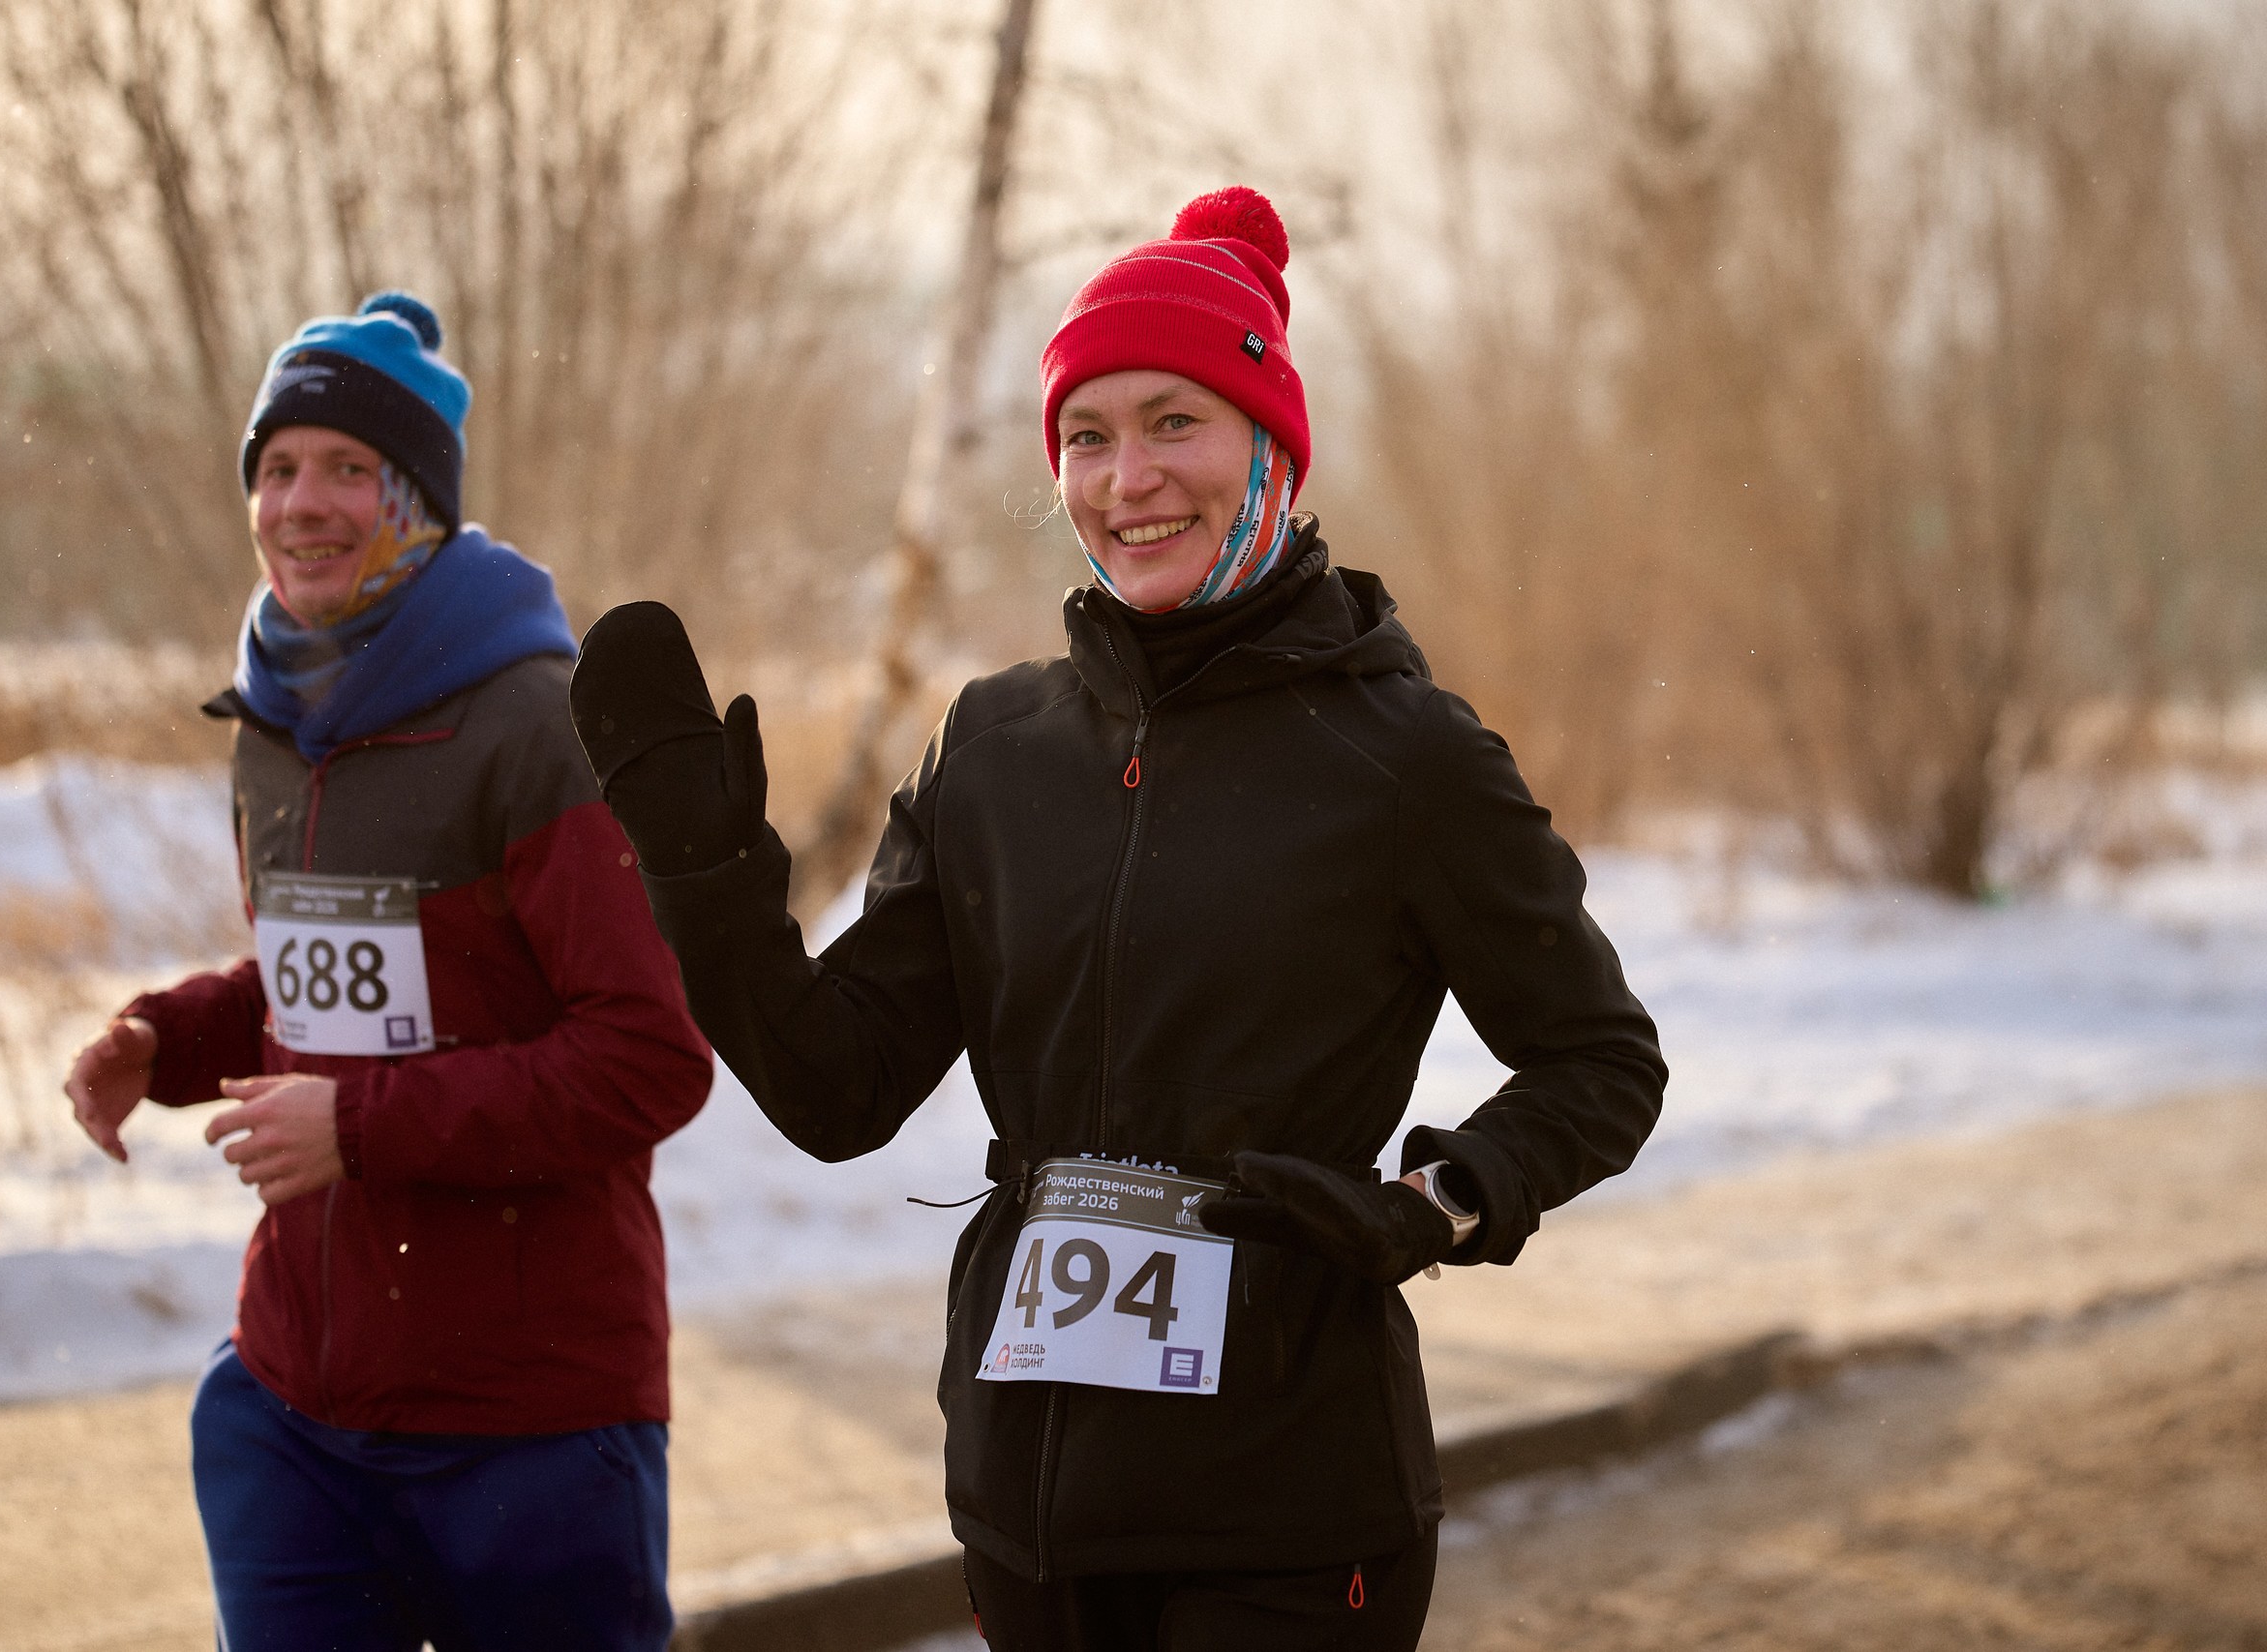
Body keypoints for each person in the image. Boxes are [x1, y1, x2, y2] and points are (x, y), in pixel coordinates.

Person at [569, 189, 1666, 1649]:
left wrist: (1441, 1199)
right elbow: (837, 1090)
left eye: (1174, 423)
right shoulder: (993, 747)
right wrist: (707, 880)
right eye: (1086, 436)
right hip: (1028, 1514)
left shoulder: (1406, 757)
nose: (1127, 477)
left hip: (1288, 1515)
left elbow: (1602, 1061)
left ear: (1269, 446)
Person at [64, 292, 712, 1652]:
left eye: (347, 469)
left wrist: (359, 1128)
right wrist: (166, 1039)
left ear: (415, 502)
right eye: (277, 468)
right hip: (292, 1411)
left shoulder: (539, 723)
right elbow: (338, 983)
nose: (300, 504)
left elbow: (649, 1056)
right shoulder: (275, 717)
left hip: (527, 1429)